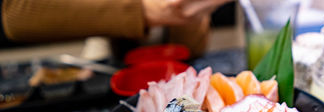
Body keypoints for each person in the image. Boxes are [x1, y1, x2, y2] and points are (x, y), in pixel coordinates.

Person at [0, 0, 231, 57]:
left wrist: (188, 13)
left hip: (173, 72)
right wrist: (143, 9)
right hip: (103, 69)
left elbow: (192, 47)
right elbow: (16, 13)